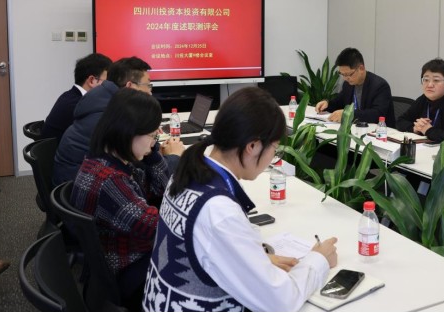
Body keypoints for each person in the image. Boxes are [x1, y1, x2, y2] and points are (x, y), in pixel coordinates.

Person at [144, 87, 338, 312]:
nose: (272, 157)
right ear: (253, 146)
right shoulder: (219, 210)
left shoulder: (188, 170)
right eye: (274, 149)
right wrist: (318, 260)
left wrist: (254, 259)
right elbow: (281, 301)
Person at [71, 88, 169, 304]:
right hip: (128, 272)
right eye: (152, 136)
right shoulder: (111, 181)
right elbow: (159, 227)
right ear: (130, 132)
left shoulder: (104, 159)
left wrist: (152, 155)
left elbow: (159, 191)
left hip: (115, 263)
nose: (154, 142)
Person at [53, 56, 183, 186]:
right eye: (148, 85)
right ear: (130, 86)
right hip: (85, 188)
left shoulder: (100, 99)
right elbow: (145, 172)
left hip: (77, 182)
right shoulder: (111, 116)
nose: (150, 93)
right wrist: (174, 157)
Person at [315, 47, 395, 126]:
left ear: (361, 68)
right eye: (342, 74)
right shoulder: (348, 84)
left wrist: (348, 114)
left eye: (348, 74)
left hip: (379, 131)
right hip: (355, 128)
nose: (345, 78)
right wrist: (327, 104)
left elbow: (377, 114)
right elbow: (339, 102)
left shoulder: (380, 86)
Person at [42, 53, 112, 142]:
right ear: (92, 80)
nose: (110, 86)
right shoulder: (80, 106)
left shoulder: (69, 95)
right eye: (108, 81)